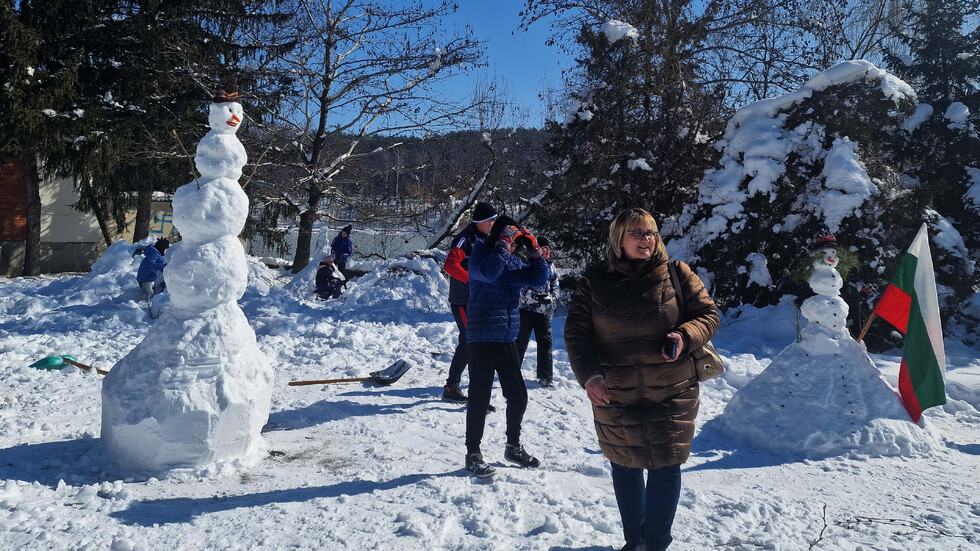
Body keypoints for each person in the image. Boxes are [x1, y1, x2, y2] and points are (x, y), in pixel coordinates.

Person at [564, 208, 719, 551]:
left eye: (650, 233)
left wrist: (684, 335)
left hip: (673, 389)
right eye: (636, 232)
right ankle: (635, 541)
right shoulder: (595, 281)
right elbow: (576, 334)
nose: (645, 240)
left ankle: (657, 543)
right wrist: (590, 376)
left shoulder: (677, 273)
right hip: (616, 393)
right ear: (619, 238)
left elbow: (708, 315)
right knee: (625, 465)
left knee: (666, 467)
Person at [463, 217, 549, 478]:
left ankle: (512, 446)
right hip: (481, 337)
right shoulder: (479, 255)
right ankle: (473, 454)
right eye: (509, 241)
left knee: (519, 395)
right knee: (480, 397)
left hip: (506, 337)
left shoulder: (511, 260)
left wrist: (534, 251)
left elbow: (539, 279)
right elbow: (489, 273)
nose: (513, 247)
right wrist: (503, 242)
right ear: (499, 238)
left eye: (513, 243)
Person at [441, 202, 498, 403]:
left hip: (479, 299)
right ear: (480, 222)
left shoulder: (485, 238)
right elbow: (450, 265)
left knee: (470, 342)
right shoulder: (464, 239)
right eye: (491, 220)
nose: (494, 223)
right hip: (463, 300)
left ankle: (454, 385)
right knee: (471, 342)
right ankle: (461, 389)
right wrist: (470, 279)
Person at [516, 236, 559, 387]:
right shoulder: (527, 266)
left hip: (544, 312)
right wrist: (536, 297)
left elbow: (556, 286)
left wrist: (552, 297)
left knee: (546, 343)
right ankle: (513, 371)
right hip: (526, 310)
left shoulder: (551, 267)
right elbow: (520, 289)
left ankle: (546, 376)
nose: (548, 251)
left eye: (548, 249)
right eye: (544, 248)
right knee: (520, 342)